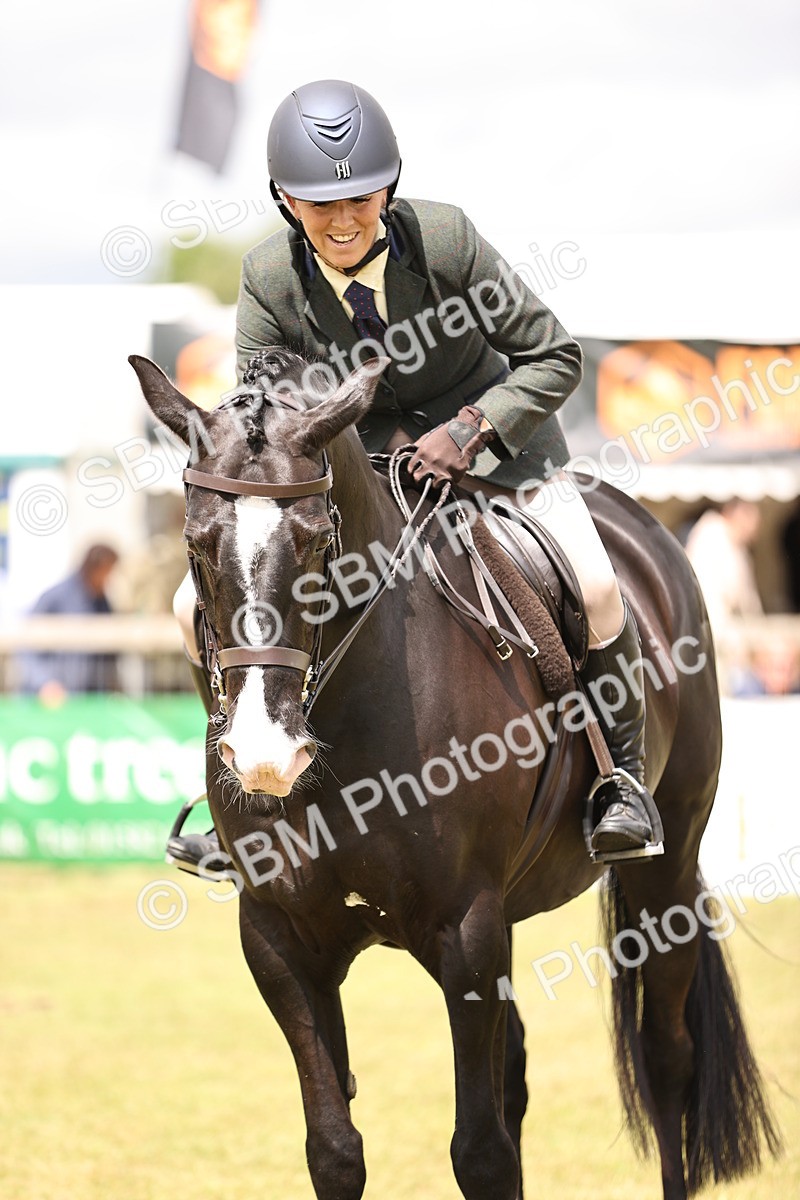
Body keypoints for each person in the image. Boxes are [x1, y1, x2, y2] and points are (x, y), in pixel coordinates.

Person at [167, 79, 662, 874]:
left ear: (389, 189)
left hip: (499, 451)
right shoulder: (269, 276)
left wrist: (470, 430)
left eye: (360, 199)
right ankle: (239, 793)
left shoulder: (447, 241)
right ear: (285, 200)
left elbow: (554, 356)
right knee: (187, 604)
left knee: (598, 584)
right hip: (359, 468)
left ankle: (620, 781)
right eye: (319, 204)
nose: (343, 221)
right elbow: (263, 411)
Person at [19, 543, 120, 699]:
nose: (110, 578)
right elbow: (27, 642)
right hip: (53, 696)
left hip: (87, 697)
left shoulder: (101, 602)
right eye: (108, 572)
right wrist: (45, 682)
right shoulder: (57, 596)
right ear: (95, 568)